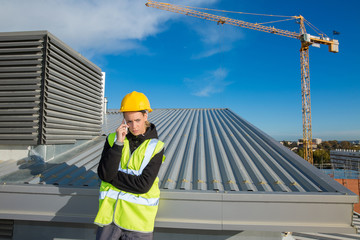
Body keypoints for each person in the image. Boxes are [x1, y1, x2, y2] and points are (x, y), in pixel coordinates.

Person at [94, 91, 165, 240]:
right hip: (109, 221)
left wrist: (111, 177)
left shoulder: (156, 147)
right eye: (129, 121)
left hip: (138, 224)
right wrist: (119, 143)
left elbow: (143, 185)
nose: (134, 126)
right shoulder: (113, 139)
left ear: (145, 116)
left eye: (137, 120)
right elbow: (104, 174)